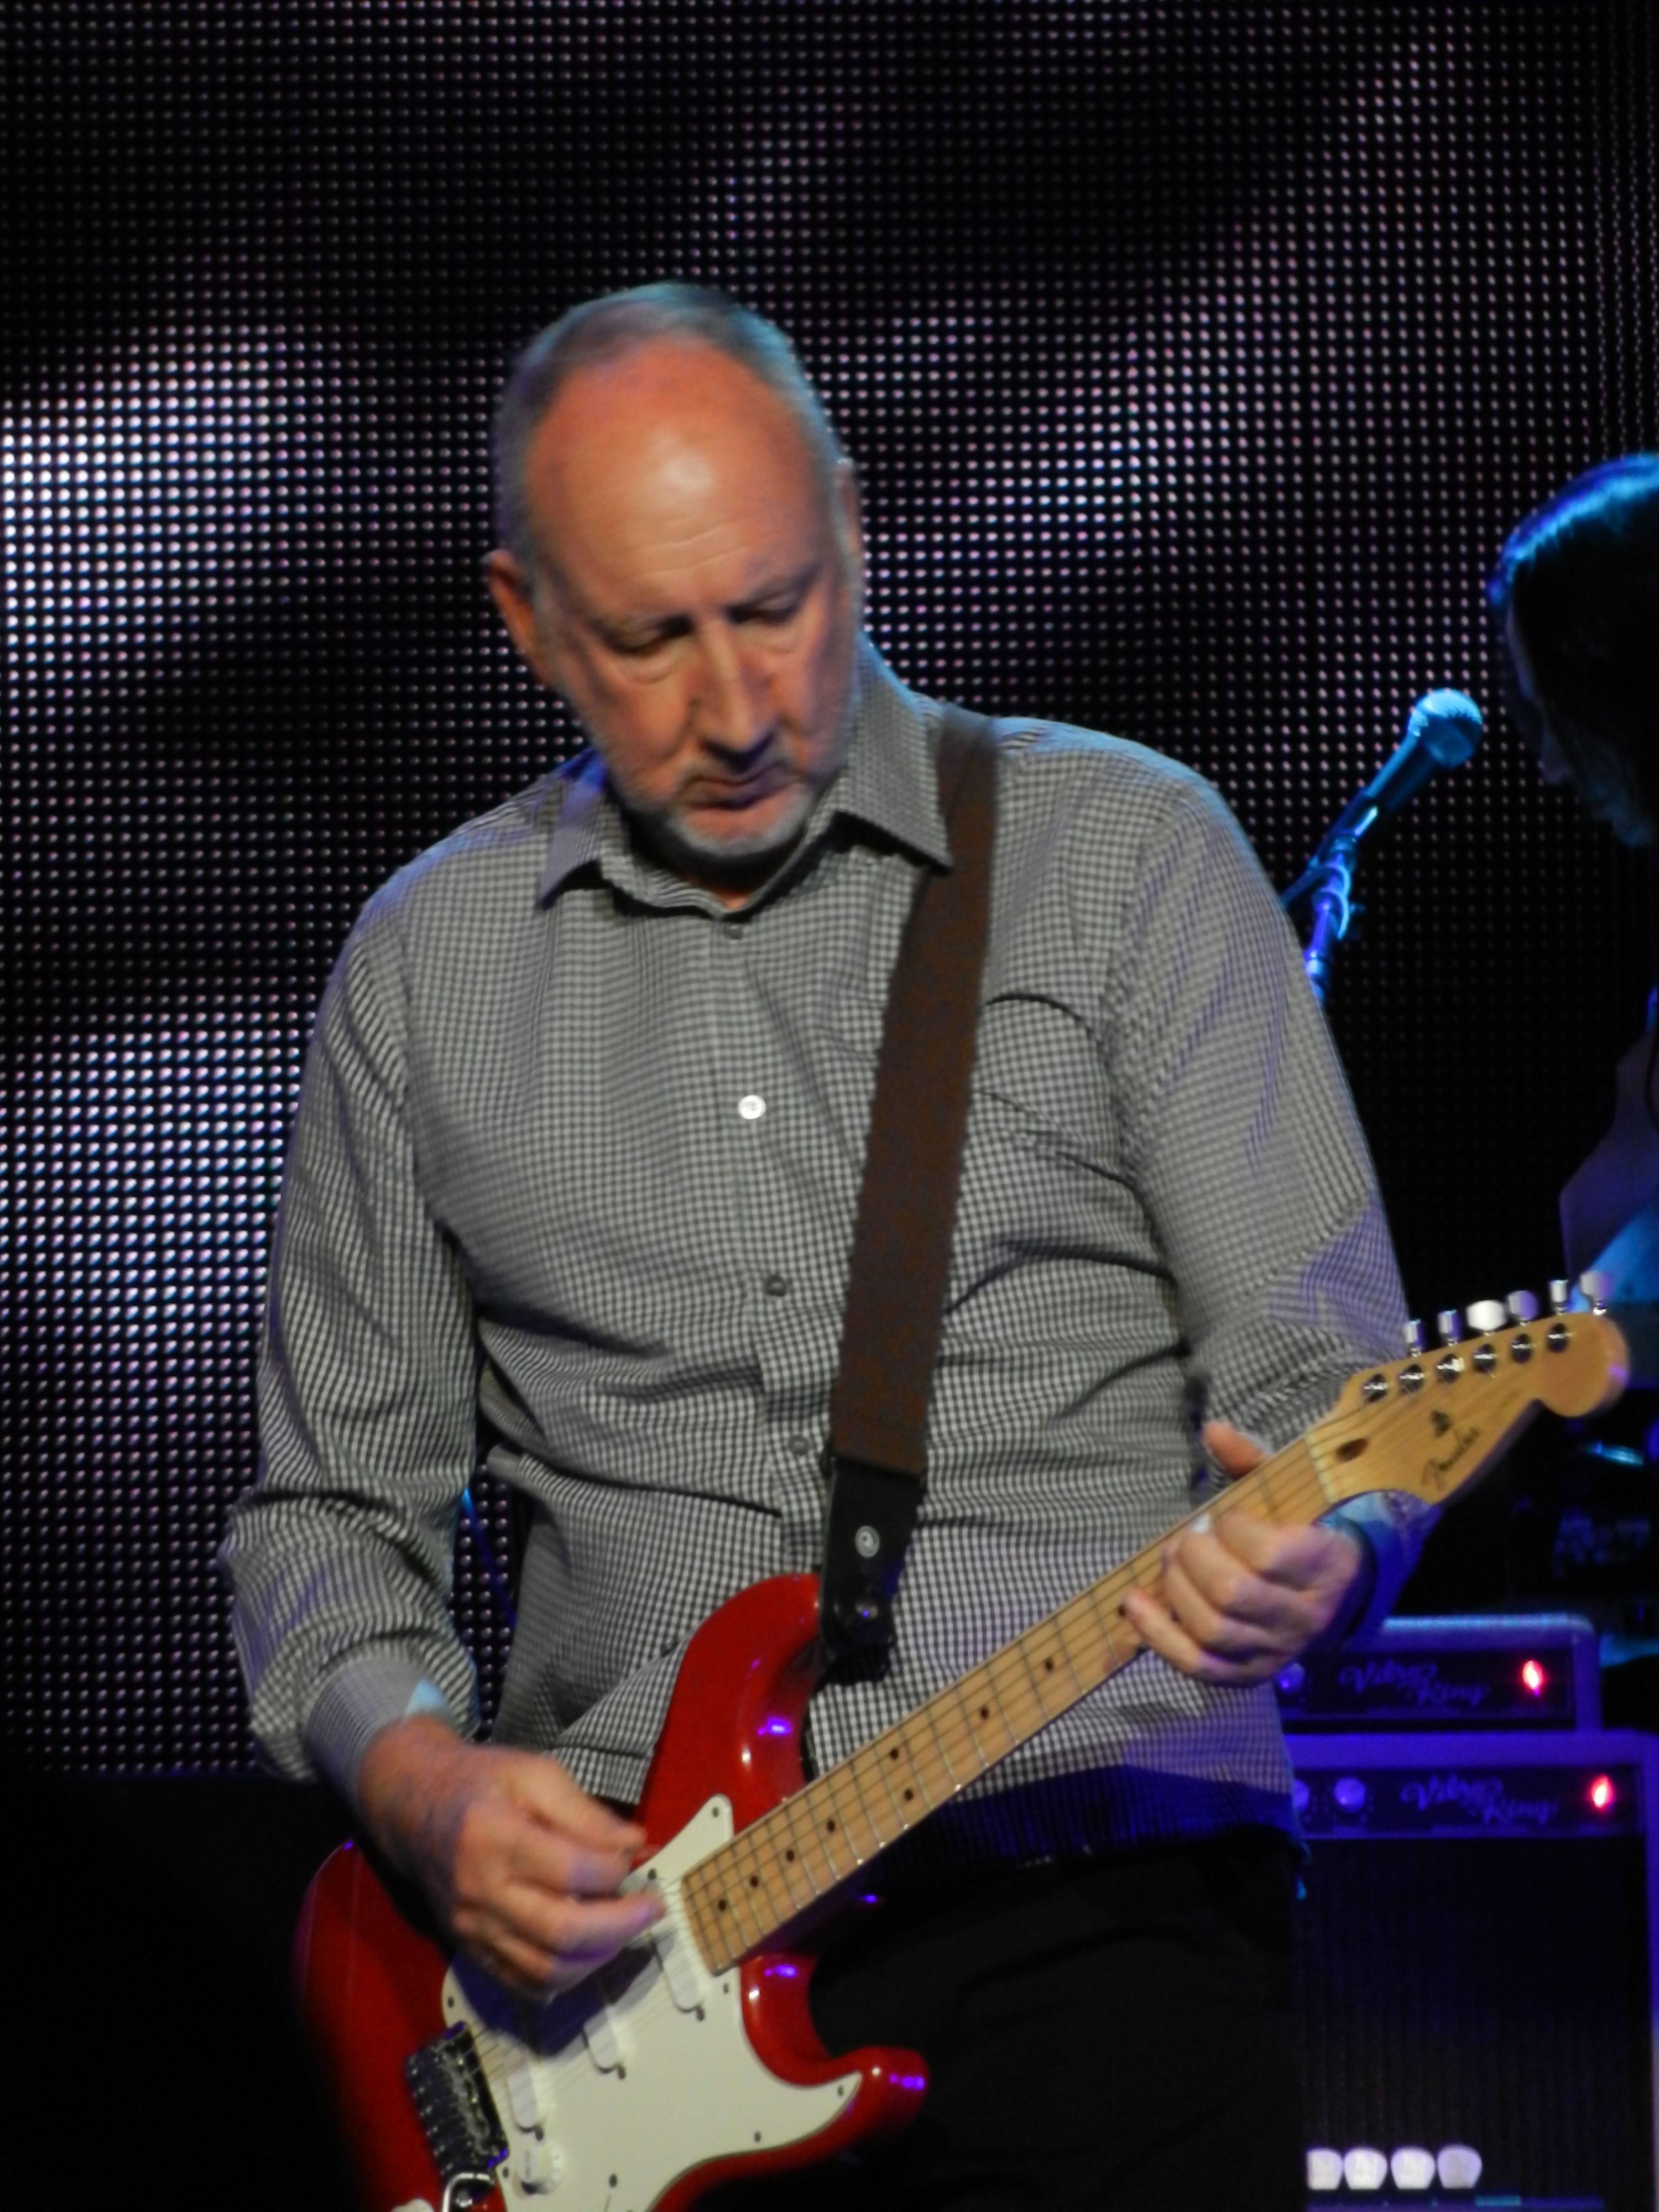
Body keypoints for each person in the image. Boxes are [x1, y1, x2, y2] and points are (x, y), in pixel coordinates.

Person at [222, 283, 1425, 2208]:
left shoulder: (1127, 858)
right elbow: (323, 1526)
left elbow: (1334, 1400)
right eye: (650, 640)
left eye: (775, 607)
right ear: (528, 622)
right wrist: (425, 1787)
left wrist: (1334, 1551)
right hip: (610, 2001)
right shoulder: (429, 969)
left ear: (854, 530)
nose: (738, 708)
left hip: (1097, 1902)